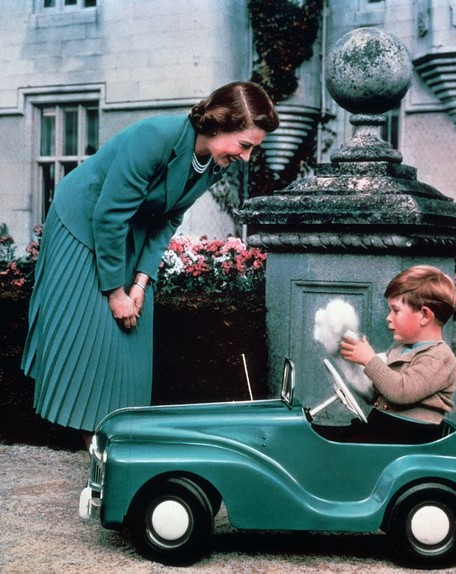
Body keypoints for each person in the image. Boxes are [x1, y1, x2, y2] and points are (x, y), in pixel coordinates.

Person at [21, 81, 279, 449]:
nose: (247, 157)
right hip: (82, 223)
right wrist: (114, 293)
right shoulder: (154, 137)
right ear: (218, 124)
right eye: (245, 145)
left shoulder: (213, 164)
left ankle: (119, 448)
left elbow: (168, 221)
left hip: (131, 230)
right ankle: (101, 454)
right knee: (93, 338)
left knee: (130, 344)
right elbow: (109, 216)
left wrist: (140, 282)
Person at [339, 265, 456, 443]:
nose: (389, 317)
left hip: (411, 434)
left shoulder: (440, 357)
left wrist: (369, 360)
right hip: (387, 427)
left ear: (425, 315)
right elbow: (378, 392)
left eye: (395, 310)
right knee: (329, 434)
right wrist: (352, 369)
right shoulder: (399, 348)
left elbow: (401, 392)